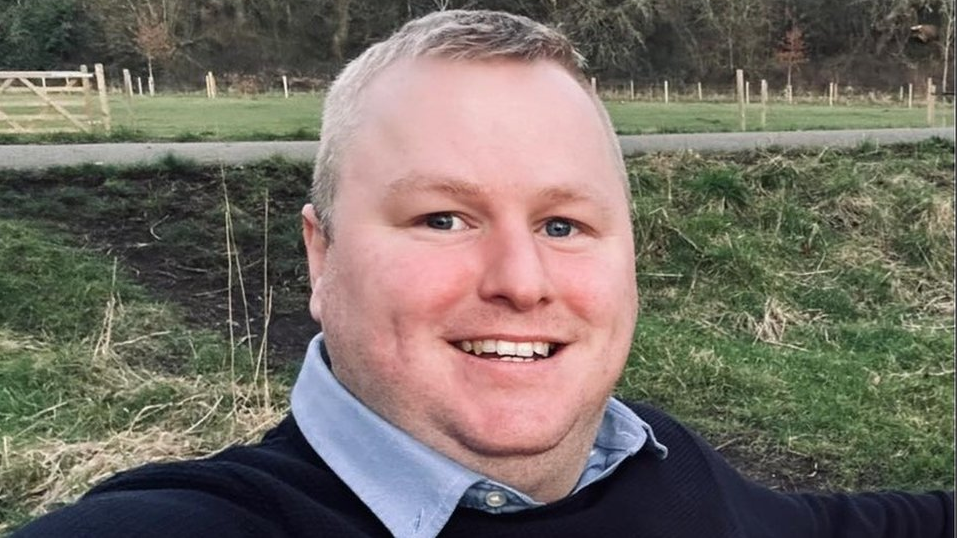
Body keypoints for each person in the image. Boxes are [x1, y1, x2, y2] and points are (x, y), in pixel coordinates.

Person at [14, 9, 953, 538]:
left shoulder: (649, 459)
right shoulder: (204, 527)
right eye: (442, 217)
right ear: (321, 254)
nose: (519, 278)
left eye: (562, 222)